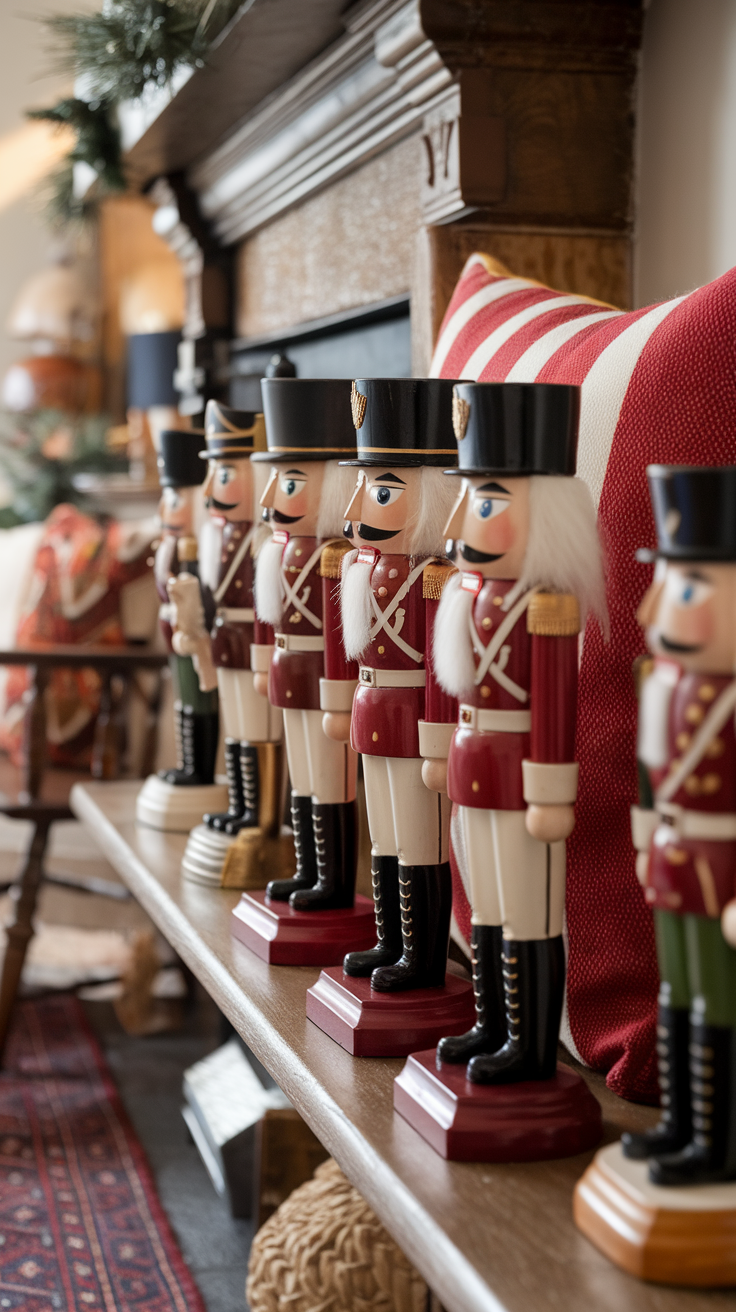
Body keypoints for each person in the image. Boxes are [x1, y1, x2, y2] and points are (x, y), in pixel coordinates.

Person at [426, 382, 607, 1082]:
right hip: (475, 762)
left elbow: (557, 708)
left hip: (523, 771)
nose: (466, 519)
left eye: (489, 502)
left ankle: (529, 1047)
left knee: (529, 909)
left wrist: (552, 792)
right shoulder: (469, 593)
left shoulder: (549, 606)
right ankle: (491, 1023)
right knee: (489, 905)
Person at [624, 465, 736, 1185]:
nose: (655, 610)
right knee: (677, 990)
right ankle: (681, 1121)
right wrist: (644, 840)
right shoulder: (661, 683)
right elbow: (646, 771)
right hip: (671, 852)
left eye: (688, 587)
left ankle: (718, 1143)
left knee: (720, 1000)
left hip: (724, 868)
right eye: (662, 584)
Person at [333, 378, 459, 991]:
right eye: (363, 487)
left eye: (380, 490)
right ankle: (390, 939)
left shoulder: (436, 578)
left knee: (419, 840)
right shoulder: (364, 565)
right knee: (383, 834)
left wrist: (437, 743)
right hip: (372, 709)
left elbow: (441, 669)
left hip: (413, 718)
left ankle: (423, 959)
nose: (356, 509)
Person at [253, 378, 359, 910]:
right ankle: (307, 868)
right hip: (288, 670)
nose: (270, 499)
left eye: (289, 482)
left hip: (323, 680)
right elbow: (265, 613)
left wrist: (340, 697)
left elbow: (345, 636)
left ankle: (335, 881)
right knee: (302, 775)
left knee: (329, 779)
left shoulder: (338, 556)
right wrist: (261, 662)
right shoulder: (280, 546)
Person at [199, 400, 283, 836]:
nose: (211, 487)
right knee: (235, 723)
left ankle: (262, 814)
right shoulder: (221, 532)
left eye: (226, 474)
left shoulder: (263, 538)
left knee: (258, 727)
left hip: (253, 639)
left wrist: (263, 653)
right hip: (225, 636)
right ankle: (238, 803)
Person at [154, 427, 218, 786]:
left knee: (198, 698)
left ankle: (200, 769)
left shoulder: (199, 549)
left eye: (176, 499)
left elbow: (202, 594)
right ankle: (185, 762)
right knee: (181, 698)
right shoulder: (168, 545)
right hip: (171, 630)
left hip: (192, 632)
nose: (164, 510)